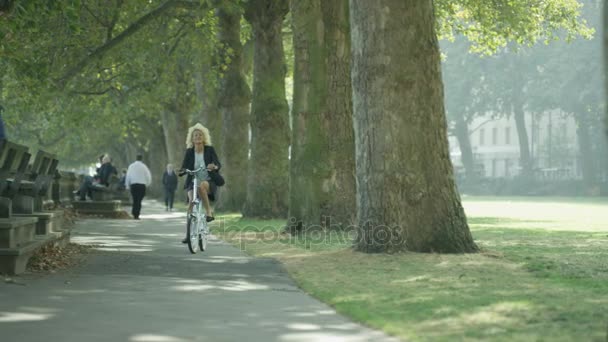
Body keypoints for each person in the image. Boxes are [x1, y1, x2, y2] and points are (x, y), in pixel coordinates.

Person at [179, 123, 221, 242]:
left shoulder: (210, 150)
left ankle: (209, 212)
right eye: (195, 135)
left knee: (201, 187)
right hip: (192, 181)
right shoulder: (189, 152)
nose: (198, 137)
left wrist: (214, 166)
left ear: (204, 137)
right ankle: (188, 234)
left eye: (200, 135)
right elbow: (184, 167)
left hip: (208, 180)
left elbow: (218, 164)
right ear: (192, 138)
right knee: (191, 201)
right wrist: (182, 171)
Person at [125, 154, 152, 220]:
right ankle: (137, 213)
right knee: (139, 200)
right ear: (141, 159)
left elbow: (128, 176)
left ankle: (134, 212)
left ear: (136, 158)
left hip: (133, 185)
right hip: (142, 185)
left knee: (134, 199)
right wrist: (147, 184)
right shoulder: (144, 166)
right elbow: (148, 176)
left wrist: (127, 185)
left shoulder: (131, 166)